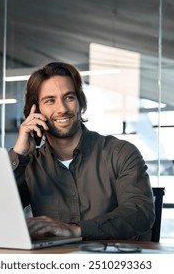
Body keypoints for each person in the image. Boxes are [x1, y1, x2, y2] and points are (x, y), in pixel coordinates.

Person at [9, 62, 155, 240]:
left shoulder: (120, 153)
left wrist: (76, 230)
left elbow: (140, 213)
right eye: (50, 100)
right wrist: (19, 154)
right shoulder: (31, 165)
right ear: (35, 111)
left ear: (80, 103)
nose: (62, 109)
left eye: (69, 97)